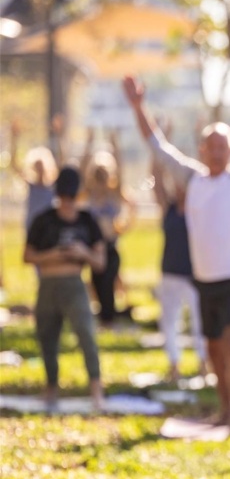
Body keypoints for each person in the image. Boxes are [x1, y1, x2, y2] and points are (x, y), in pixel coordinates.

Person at [123, 75, 230, 431]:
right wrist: (138, 106)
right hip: (204, 280)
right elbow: (156, 145)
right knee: (215, 349)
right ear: (201, 149)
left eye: (224, 146)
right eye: (211, 146)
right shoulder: (192, 179)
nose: (217, 152)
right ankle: (223, 411)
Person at [23, 167, 107, 411]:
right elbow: (28, 255)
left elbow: (100, 262)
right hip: (48, 284)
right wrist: (53, 255)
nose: (68, 203)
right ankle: (51, 388)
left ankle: (96, 389)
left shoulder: (87, 221)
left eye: (71, 197)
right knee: (47, 338)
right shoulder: (44, 220)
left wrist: (83, 253)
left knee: (86, 334)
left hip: (75, 285)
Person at [149, 122, 208, 382]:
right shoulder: (169, 208)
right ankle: (174, 364)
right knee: (169, 323)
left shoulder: (200, 208)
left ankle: (204, 364)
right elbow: (157, 178)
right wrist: (163, 143)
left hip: (194, 275)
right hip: (170, 274)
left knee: (199, 324)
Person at [82, 132, 136, 327]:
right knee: (97, 281)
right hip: (95, 247)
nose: (102, 177)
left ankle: (108, 317)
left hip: (111, 246)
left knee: (110, 281)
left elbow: (120, 173)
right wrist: (88, 147)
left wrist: (116, 147)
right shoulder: (90, 192)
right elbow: (82, 171)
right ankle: (105, 316)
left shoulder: (115, 193)